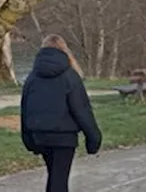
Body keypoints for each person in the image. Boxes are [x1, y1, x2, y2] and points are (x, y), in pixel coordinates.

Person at [20, 35, 102, 192]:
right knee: (59, 179)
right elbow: (81, 110)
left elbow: (25, 108)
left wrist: (28, 138)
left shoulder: (32, 77)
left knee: (54, 176)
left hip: (40, 134)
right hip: (64, 135)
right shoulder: (70, 76)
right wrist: (93, 138)